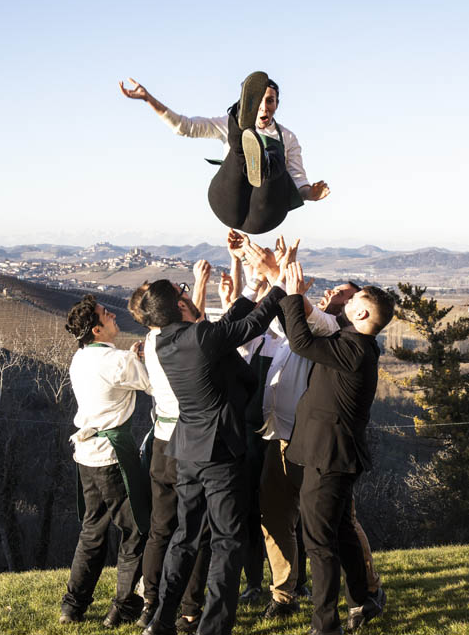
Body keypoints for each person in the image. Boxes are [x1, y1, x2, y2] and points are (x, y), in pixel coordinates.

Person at [137, 274, 286, 635]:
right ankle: (214, 627)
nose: (187, 296)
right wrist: (281, 286)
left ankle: (162, 619)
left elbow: (229, 325)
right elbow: (250, 326)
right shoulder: (200, 338)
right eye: (181, 294)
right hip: (218, 452)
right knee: (227, 540)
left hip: (186, 450)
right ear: (177, 306)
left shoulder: (163, 342)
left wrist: (252, 287)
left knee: (185, 537)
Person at [280, 264, 396, 635]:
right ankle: (364, 600)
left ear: (361, 313)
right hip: (335, 456)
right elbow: (309, 333)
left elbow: (300, 342)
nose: (344, 301)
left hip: (327, 459)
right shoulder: (356, 345)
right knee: (342, 531)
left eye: (354, 299)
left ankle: (325, 626)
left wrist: (294, 295)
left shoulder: (354, 350)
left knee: (319, 543)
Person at [119, 71, 330, 234]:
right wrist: (148, 98)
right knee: (237, 140)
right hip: (228, 203)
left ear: (277, 104)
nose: (264, 107)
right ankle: (244, 133)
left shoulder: (288, 137)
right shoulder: (225, 125)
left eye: (270, 100)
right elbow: (185, 127)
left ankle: (263, 160)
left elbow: (298, 181)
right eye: (258, 101)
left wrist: (310, 194)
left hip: (264, 215)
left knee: (275, 154)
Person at [129, 261, 214, 633]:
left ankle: (151, 602)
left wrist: (196, 287)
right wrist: (199, 286)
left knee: (161, 528)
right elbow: (196, 325)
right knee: (195, 528)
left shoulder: (151, 341)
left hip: (161, 443)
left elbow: (189, 319)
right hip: (188, 440)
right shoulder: (184, 341)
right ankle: (190, 609)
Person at [59, 295, 152, 628]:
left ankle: (73, 606)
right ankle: (124, 608)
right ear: (97, 329)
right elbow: (153, 384)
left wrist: (132, 355)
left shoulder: (80, 358)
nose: (113, 315)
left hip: (86, 455)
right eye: (106, 314)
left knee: (93, 531)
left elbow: (116, 371)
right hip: (114, 456)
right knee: (135, 530)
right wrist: (145, 356)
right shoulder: (117, 362)